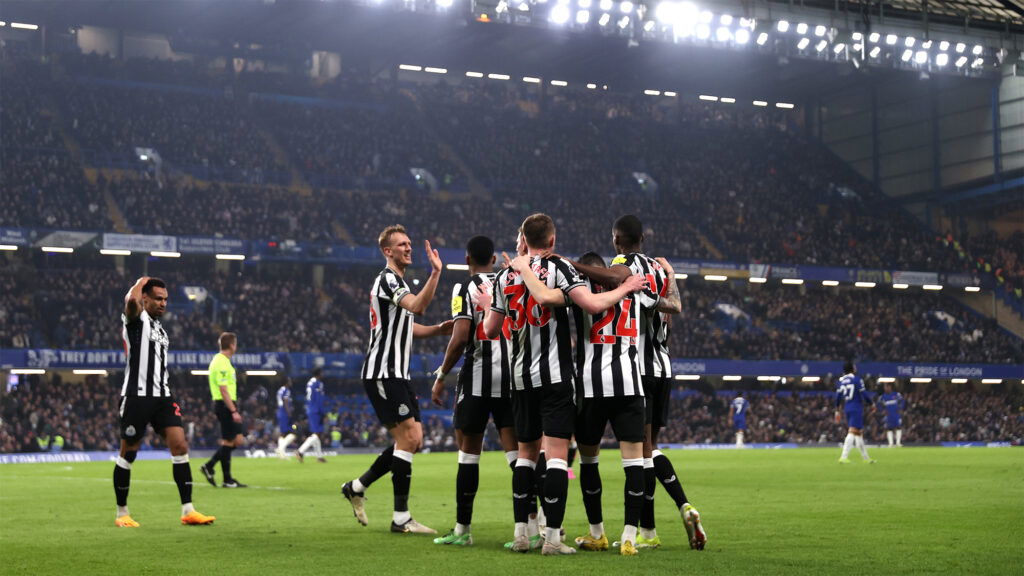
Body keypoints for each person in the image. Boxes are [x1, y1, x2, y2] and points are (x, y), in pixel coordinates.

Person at [480, 213, 645, 556]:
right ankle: (552, 539)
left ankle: (522, 534)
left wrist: (493, 308)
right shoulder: (559, 268)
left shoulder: (503, 276)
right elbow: (592, 304)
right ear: (552, 241)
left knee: (525, 456)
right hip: (555, 377)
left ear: (523, 239)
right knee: (555, 455)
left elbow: (491, 331)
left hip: (520, 378)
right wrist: (625, 288)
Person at [568, 215, 705, 550]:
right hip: (662, 367)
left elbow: (615, 279)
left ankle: (646, 530)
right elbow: (673, 307)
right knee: (647, 450)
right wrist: (670, 276)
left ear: (617, 240)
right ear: (643, 236)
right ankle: (657, 522)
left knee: (641, 454)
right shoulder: (657, 271)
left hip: (632, 366)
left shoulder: (620, 270)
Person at [341, 224, 453, 534]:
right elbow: (418, 306)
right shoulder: (388, 279)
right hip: (382, 372)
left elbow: (410, 325)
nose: (408, 248)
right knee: (410, 439)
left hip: (397, 374)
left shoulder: (396, 283)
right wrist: (435, 273)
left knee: (413, 441)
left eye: (409, 243)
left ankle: (357, 486)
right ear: (387, 251)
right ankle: (401, 518)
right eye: (402, 244)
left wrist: (436, 330)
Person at [430, 235, 518, 547]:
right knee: (517, 456)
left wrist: (441, 375)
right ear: (493, 259)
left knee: (468, 454)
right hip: (511, 379)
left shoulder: (463, 288)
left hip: (478, 377)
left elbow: (461, 336)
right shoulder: (511, 283)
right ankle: (533, 527)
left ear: (467, 259)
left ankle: (462, 530)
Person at [113, 276, 215, 527]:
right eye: (157, 298)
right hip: (137, 396)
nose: (163, 303)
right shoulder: (135, 321)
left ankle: (188, 510)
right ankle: (122, 513)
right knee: (129, 453)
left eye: (166, 299)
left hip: (163, 396)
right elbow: (130, 300)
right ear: (145, 299)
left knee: (180, 446)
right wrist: (141, 280)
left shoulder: (160, 328)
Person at [566, 252, 647, 556]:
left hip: (591, 388)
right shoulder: (634, 286)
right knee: (633, 463)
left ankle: (597, 533)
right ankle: (629, 536)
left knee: (588, 461)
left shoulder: (578, 292)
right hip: (629, 384)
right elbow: (667, 306)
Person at [200, 332, 247, 488]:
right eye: (236, 343)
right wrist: (233, 410)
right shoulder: (220, 362)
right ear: (232, 345)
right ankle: (225, 478)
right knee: (228, 441)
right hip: (224, 404)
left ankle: (211, 466)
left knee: (237, 440)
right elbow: (223, 389)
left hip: (228, 403)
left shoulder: (224, 361)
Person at [835, 362, 876, 463]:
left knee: (858, 434)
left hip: (847, 407)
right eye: (854, 366)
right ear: (852, 369)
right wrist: (872, 404)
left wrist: (837, 410)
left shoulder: (842, 381)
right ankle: (843, 457)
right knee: (852, 432)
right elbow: (864, 394)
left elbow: (838, 397)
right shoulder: (857, 379)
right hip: (856, 407)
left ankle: (866, 458)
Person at [296, 368, 327, 463]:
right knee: (316, 434)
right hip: (316, 410)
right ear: (319, 374)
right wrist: (323, 413)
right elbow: (319, 399)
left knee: (317, 433)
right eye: (322, 372)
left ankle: (319, 457)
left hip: (311, 409)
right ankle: (300, 451)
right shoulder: (318, 384)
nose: (323, 374)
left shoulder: (310, 383)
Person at [275, 379, 298, 458]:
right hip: (285, 413)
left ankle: (282, 454)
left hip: (280, 412)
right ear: (287, 382)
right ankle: (280, 449)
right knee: (293, 433)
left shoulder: (279, 390)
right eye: (290, 381)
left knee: (283, 434)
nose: (291, 382)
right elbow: (285, 401)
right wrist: (289, 413)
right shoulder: (286, 390)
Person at [879, 382, 906, 447]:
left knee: (898, 427)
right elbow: (879, 405)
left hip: (896, 414)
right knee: (889, 428)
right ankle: (890, 443)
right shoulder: (883, 397)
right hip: (888, 415)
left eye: (886, 387)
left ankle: (898, 443)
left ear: (890, 387)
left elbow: (902, 401)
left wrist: (900, 408)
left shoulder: (896, 394)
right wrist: (883, 410)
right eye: (884, 387)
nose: (885, 388)